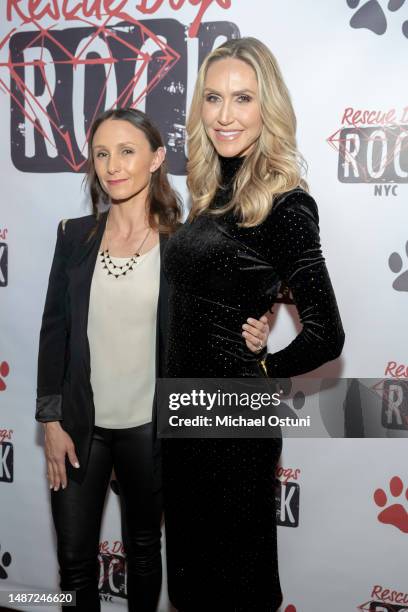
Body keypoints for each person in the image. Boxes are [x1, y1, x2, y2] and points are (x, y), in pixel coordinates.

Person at [35, 107, 268, 611]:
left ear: (157, 159)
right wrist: (50, 417)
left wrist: (256, 332)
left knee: (144, 551)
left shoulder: (181, 243)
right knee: (74, 561)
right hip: (80, 427)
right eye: (101, 154)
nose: (113, 165)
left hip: (151, 427)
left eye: (126, 151)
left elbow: (220, 320)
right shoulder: (74, 236)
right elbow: (54, 331)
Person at [162, 37, 345, 611]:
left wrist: (262, 366)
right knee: (190, 581)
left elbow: (326, 332)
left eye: (242, 99)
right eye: (212, 98)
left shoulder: (286, 204)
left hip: (233, 422)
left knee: (236, 582)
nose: (224, 115)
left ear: (268, 108)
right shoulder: (207, 192)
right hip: (181, 415)